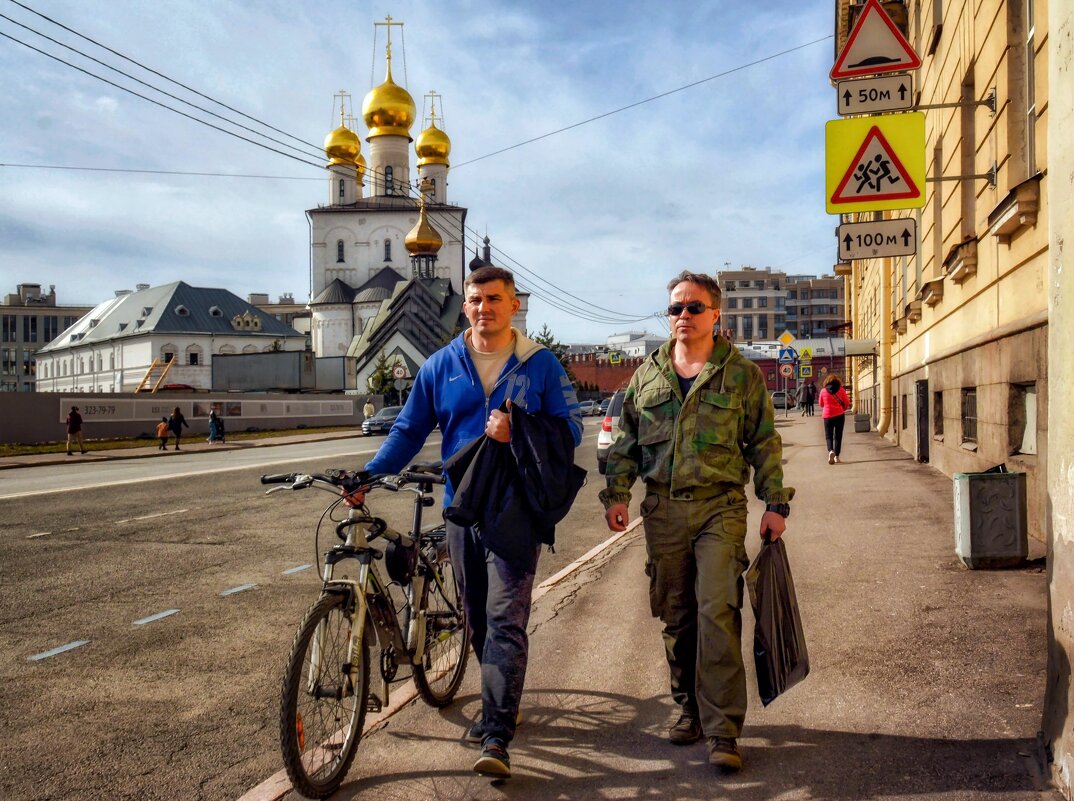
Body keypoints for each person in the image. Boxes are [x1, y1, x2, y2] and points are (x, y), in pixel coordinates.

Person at [348, 266, 582, 780]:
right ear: (466, 305)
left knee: (505, 618)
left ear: (513, 304)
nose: (483, 308)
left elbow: (571, 427)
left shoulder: (539, 364)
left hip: (516, 510)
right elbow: (409, 430)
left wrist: (517, 427)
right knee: (476, 615)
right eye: (475, 299)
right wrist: (368, 475)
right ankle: (503, 702)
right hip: (464, 508)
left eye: (494, 299)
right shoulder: (441, 365)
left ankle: (497, 732)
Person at [600, 270, 794, 774]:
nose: (682, 316)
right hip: (663, 511)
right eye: (675, 308)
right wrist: (617, 494)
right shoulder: (647, 376)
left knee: (717, 611)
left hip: (720, 508)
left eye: (693, 308)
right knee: (677, 614)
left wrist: (775, 502)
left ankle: (724, 728)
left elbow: (764, 443)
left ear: (715, 315)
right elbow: (625, 442)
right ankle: (687, 706)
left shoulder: (741, 375)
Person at [819, 372, 850, 464]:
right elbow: (847, 402)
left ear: (827, 382)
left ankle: (830, 451)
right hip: (839, 415)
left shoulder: (823, 391)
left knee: (829, 436)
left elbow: (821, 404)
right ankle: (837, 456)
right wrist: (842, 409)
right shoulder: (841, 390)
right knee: (838, 436)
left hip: (827, 416)